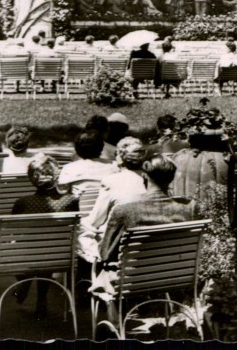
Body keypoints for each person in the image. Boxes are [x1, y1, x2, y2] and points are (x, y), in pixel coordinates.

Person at [90, 157, 197, 326]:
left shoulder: (125, 211)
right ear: (171, 178)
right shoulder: (188, 209)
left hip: (132, 281)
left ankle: (118, 320)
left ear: (145, 177)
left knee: (103, 268)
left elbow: (105, 253)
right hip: (175, 277)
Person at [10, 154, 78, 318]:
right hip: (60, 255)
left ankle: (24, 283)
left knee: (31, 246)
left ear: (32, 179)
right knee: (47, 247)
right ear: (56, 176)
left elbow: (13, 231)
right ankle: (41, 299)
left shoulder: (23, 202)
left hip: (27, 254)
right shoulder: (71, 201)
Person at [79, 137, 152, 262]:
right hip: (146, 247)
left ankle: (85, 280)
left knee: (81, 232)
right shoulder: (154, 181)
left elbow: (96, 219)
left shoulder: (112, 181)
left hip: (117, 248)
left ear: (120, 157)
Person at [58, 131, 116, 195]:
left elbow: (62, 190)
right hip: (109, 201)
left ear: (76, 150)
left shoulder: (69, 168)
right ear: (102, 148)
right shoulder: (114, 165)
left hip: (80, 202)